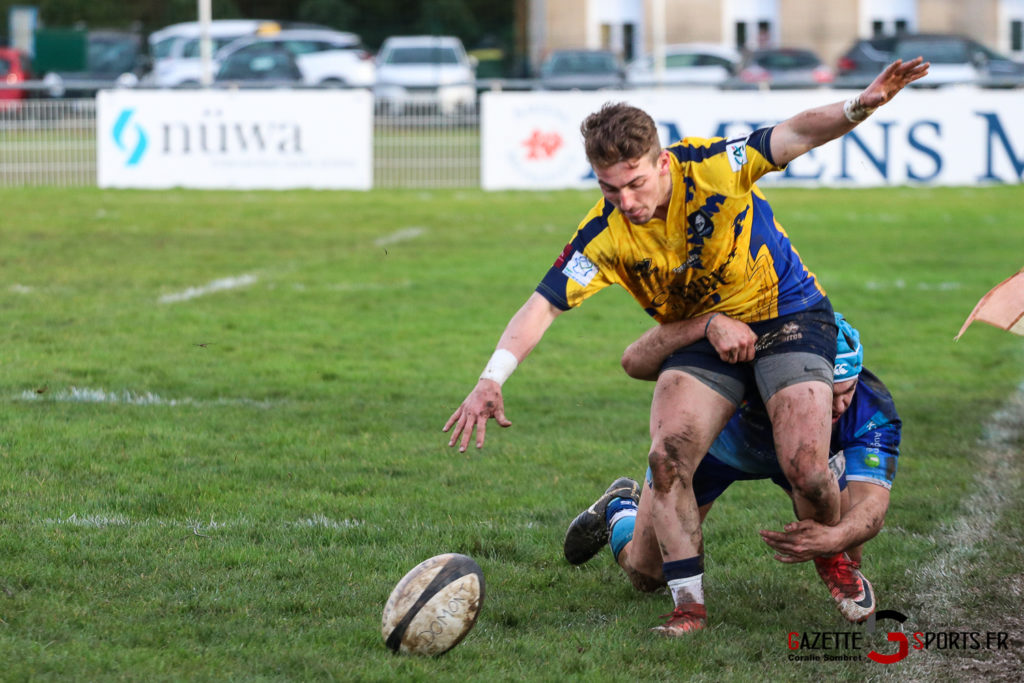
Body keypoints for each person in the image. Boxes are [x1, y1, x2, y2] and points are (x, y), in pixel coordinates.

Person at [443, 58, 928, 635]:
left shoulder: (713, 168)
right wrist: (490, 378)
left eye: (635, 182)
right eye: (609, 187)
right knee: (664, 462)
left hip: (787, 313)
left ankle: (834, 560)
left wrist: (861, 104)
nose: (625, 201)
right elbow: (542, 304)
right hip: (702, 332)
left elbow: (794, 132)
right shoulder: (604, 234)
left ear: (662, 162)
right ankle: (685, 603)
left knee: (806, 463)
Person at [563, 312, 902, 625]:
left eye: (850, 390)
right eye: (831, 394)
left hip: (802, 465)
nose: (841, 404)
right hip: (712, 454)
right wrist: (705, 325)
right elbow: (636, 361)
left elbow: (872, 506)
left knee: (848, 538)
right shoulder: (745, 366)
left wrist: (835, 538)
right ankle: (620, 508)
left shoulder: (872, 409)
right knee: (647, 575)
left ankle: (837, 566)